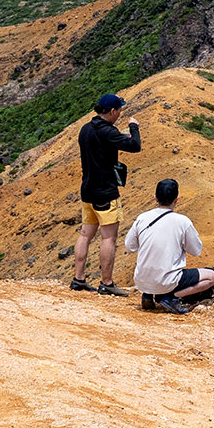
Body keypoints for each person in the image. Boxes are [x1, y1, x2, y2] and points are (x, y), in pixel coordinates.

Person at [71, 92, 140, 295]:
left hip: (88, 190)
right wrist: (134, 128)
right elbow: (135, 146)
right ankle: (107, 283)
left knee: (85, 234)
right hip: (106, 192)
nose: (119, 114)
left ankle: (78, 278)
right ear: (112, 111)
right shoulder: (109, 132)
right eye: (119, 110)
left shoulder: (85, 129)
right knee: (108, 238)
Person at [124, 178, 214, 314]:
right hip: (167, 281)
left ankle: (148, 295)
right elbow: (196, 250)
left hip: (141, 280)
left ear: (155, 198)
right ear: (177, 199)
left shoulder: (142, 218)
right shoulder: (183, 222)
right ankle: (170, 297)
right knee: (211, 277)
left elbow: (129, 246)